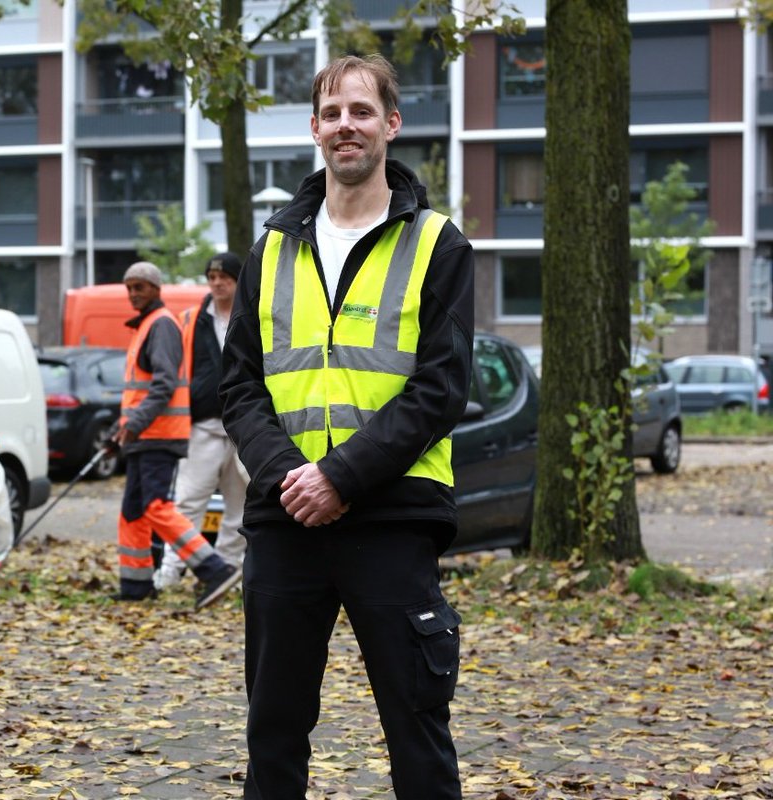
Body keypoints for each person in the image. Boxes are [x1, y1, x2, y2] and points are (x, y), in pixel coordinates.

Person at [219, 55, 474, 799]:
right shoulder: (270, 249)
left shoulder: (437, 243)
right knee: (272, 728)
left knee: (417, 725)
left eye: (361, 111)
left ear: (392, 124)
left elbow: (441, 387)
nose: (345, 126)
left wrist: (342, 476)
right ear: (314, 129)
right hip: (284, 518)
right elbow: (238, 385)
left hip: (393, 517)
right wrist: (288, 477)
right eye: (331, 114)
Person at [112, 261, 241, 610]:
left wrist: (135, 422)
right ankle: (136, 584)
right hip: (144, 434)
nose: (133, 294)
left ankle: (214, 568)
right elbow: (139, 391)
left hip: (159, 435)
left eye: (140, 287)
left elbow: (165, 384)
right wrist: (121, 427)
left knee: (155, 507)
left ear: (156, 289)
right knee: (133, 513)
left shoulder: (162, 326)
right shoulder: (146, 326)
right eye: (129, 287)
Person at [153, 252, 250, 589]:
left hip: (241, 430)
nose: (216, 282)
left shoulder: (250, 316)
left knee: (240, 507)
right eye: (211, 277)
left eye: (224, 276)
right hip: (202, 426)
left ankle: (226, 571)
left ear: (238, 281)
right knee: (187, 502)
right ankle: (172, 570)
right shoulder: (191, 319)